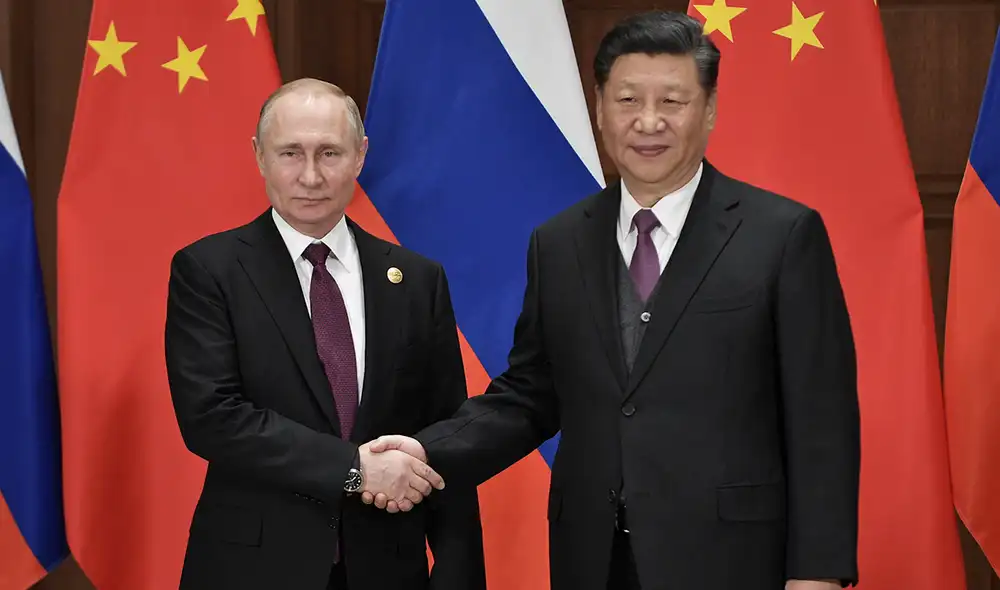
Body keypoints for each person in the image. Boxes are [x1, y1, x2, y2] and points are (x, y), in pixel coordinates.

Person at [366, 11, 860, 590]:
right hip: (593, 557)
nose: (648, 121)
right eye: (628, 100)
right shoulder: (559, 242)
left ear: (708, 110)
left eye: (672, 101)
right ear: (600, 108)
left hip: (731, 558)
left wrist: (817, 573)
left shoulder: (782, 235)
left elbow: (821, 420)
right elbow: (531, 395)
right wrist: (424, 452)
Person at [164, 78, 486, 590]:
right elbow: (212, 418)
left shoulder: (416, 280)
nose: (310, 175)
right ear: (260, 156)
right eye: (290, 153)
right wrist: (353, 468)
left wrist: (457, 571)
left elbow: (446, 435)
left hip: (388, 569)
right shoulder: (209, 270)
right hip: (252, 569)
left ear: (360, 156)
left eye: (329, 153)